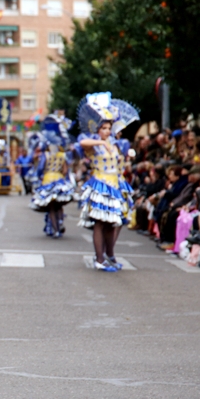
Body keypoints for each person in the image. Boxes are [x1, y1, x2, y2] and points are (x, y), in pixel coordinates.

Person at [77, 93, 125, 272]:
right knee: (99, 222)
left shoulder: (115, 144)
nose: (106, 131)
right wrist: (100, 142)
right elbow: (82, 143)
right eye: (103, 127)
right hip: (100, 184)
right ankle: (99, 259)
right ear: (97, 129)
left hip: (115, 186)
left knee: (113, 222)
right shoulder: (95, 145)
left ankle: (109, 255)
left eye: (108, 127)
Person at [30, 115, 74, 238]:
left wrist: (39, 176)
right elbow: (65, 170)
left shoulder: (45, 155)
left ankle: (55, 230)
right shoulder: (62, 155)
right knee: (59, 205)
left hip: (48, 180)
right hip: (59, 179)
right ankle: (60, 222)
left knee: (51, 208)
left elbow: (40, 169)